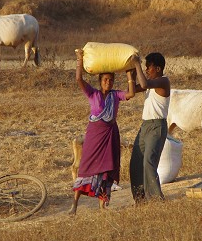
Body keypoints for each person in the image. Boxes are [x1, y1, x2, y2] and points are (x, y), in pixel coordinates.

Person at [70, 49, 136, 215]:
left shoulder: (116, 95)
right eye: (106, 79)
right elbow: (79, 78)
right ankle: (74, 205)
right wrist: (79, 60)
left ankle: (102, 205)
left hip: (110, 135)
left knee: (107, 171)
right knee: (86, 167)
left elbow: (131, 93)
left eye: (111, 80)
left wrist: (130, 75)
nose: (109, 82)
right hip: (94, 135)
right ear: (100, 81)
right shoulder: (93, 93)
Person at [129, 52, 171, 203]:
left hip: (156, 126)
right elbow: (132, 89)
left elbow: (145, 84)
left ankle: (156, 200)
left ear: (158, 68)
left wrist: (136, 64)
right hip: (145, 126)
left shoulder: (163, 81)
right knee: (136, 162)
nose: (147, 70)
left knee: (149, 161)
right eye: (145, 68)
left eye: (149, 68)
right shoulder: (151, 83)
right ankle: (140, 200)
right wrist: (132, 73)